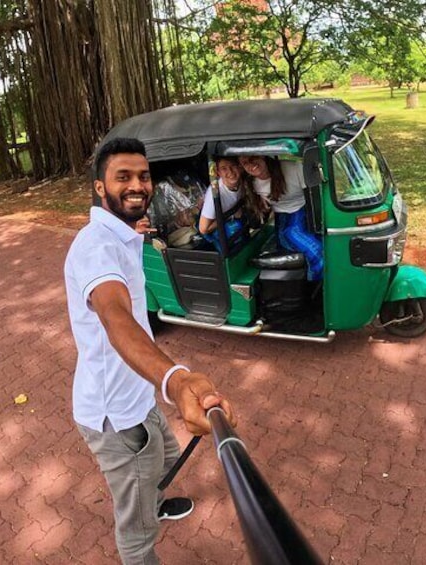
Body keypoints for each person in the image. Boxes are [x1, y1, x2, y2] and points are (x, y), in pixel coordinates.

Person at [64, 137, 235, 565]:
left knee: (167, 459)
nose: (137, 185)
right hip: (117, 417)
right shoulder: (95, 249)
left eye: (143, 176)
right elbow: (117, 318)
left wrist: (134, 231)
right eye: (123, 177)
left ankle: (153, 501)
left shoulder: (120, 233)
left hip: (139, 393)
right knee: (136, 530)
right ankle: (142, 537)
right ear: (100, 188)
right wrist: (177, 381)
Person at [239, 155, 324, 281]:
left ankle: (325, 287)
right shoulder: (248, 183)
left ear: (263, 156)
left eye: (254, 158)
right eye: (245, 163)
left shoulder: (293, 168)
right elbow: (256, 220)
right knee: (307, 245)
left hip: (307, 211)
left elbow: (316, 198)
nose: (251, 164)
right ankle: (318, 290)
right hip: (284, 221)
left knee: (323, 247)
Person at [198, 157, 247, 252]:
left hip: (234, 219)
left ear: (239, 167)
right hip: (215, 228)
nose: (230, 171)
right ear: (218, 173)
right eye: (224, 168)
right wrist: (227, 217)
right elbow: (203, 229)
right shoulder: (215, 194)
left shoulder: (243, 180)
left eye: (233, 166)